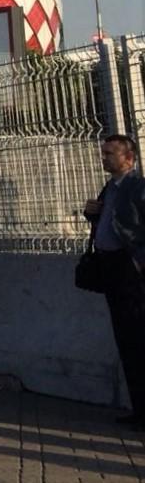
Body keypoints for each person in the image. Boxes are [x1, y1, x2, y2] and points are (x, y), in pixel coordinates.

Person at [85, 134, 145, 425]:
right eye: (104, 152)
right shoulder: (110, 187)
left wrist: (137, 260)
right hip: (110, 267)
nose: (104, 157)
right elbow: (108, 222)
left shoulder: (136, 187)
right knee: (125, 337)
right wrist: (91, 214)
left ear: (128, 159)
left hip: (128, 270)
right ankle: (138, 408)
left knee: (137, 337)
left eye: (110, 153)